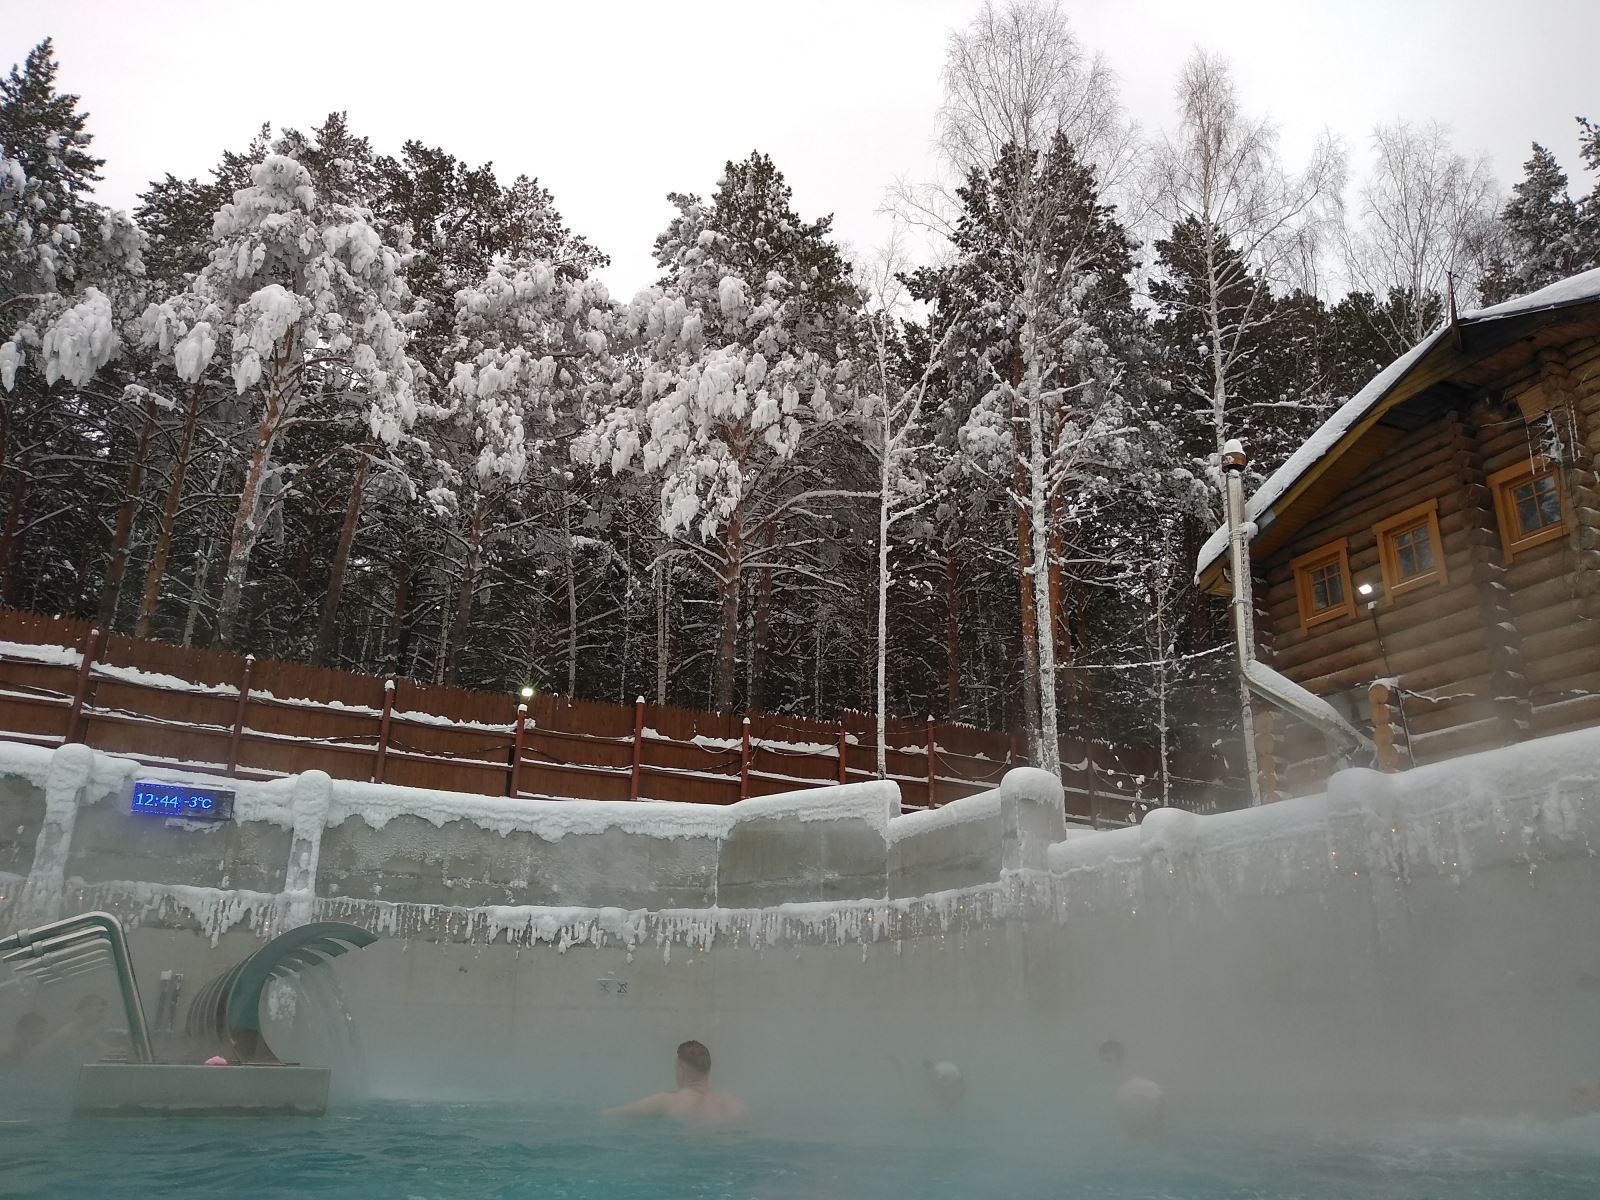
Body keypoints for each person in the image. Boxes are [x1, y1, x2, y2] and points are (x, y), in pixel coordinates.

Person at [602, 1040, 746, 1128]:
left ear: (680, 1071)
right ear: (708, 1070)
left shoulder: (667, 1101)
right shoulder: (734, 1104)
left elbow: (614, 1115)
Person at [1099, 1039, 1165, 1137]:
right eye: (1102, 1061)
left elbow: (1159, 1098)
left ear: (1119, 1060)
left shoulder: (1136, 1083)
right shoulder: (1109, 1087)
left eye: (1108, 1060)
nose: (1104, 1065)